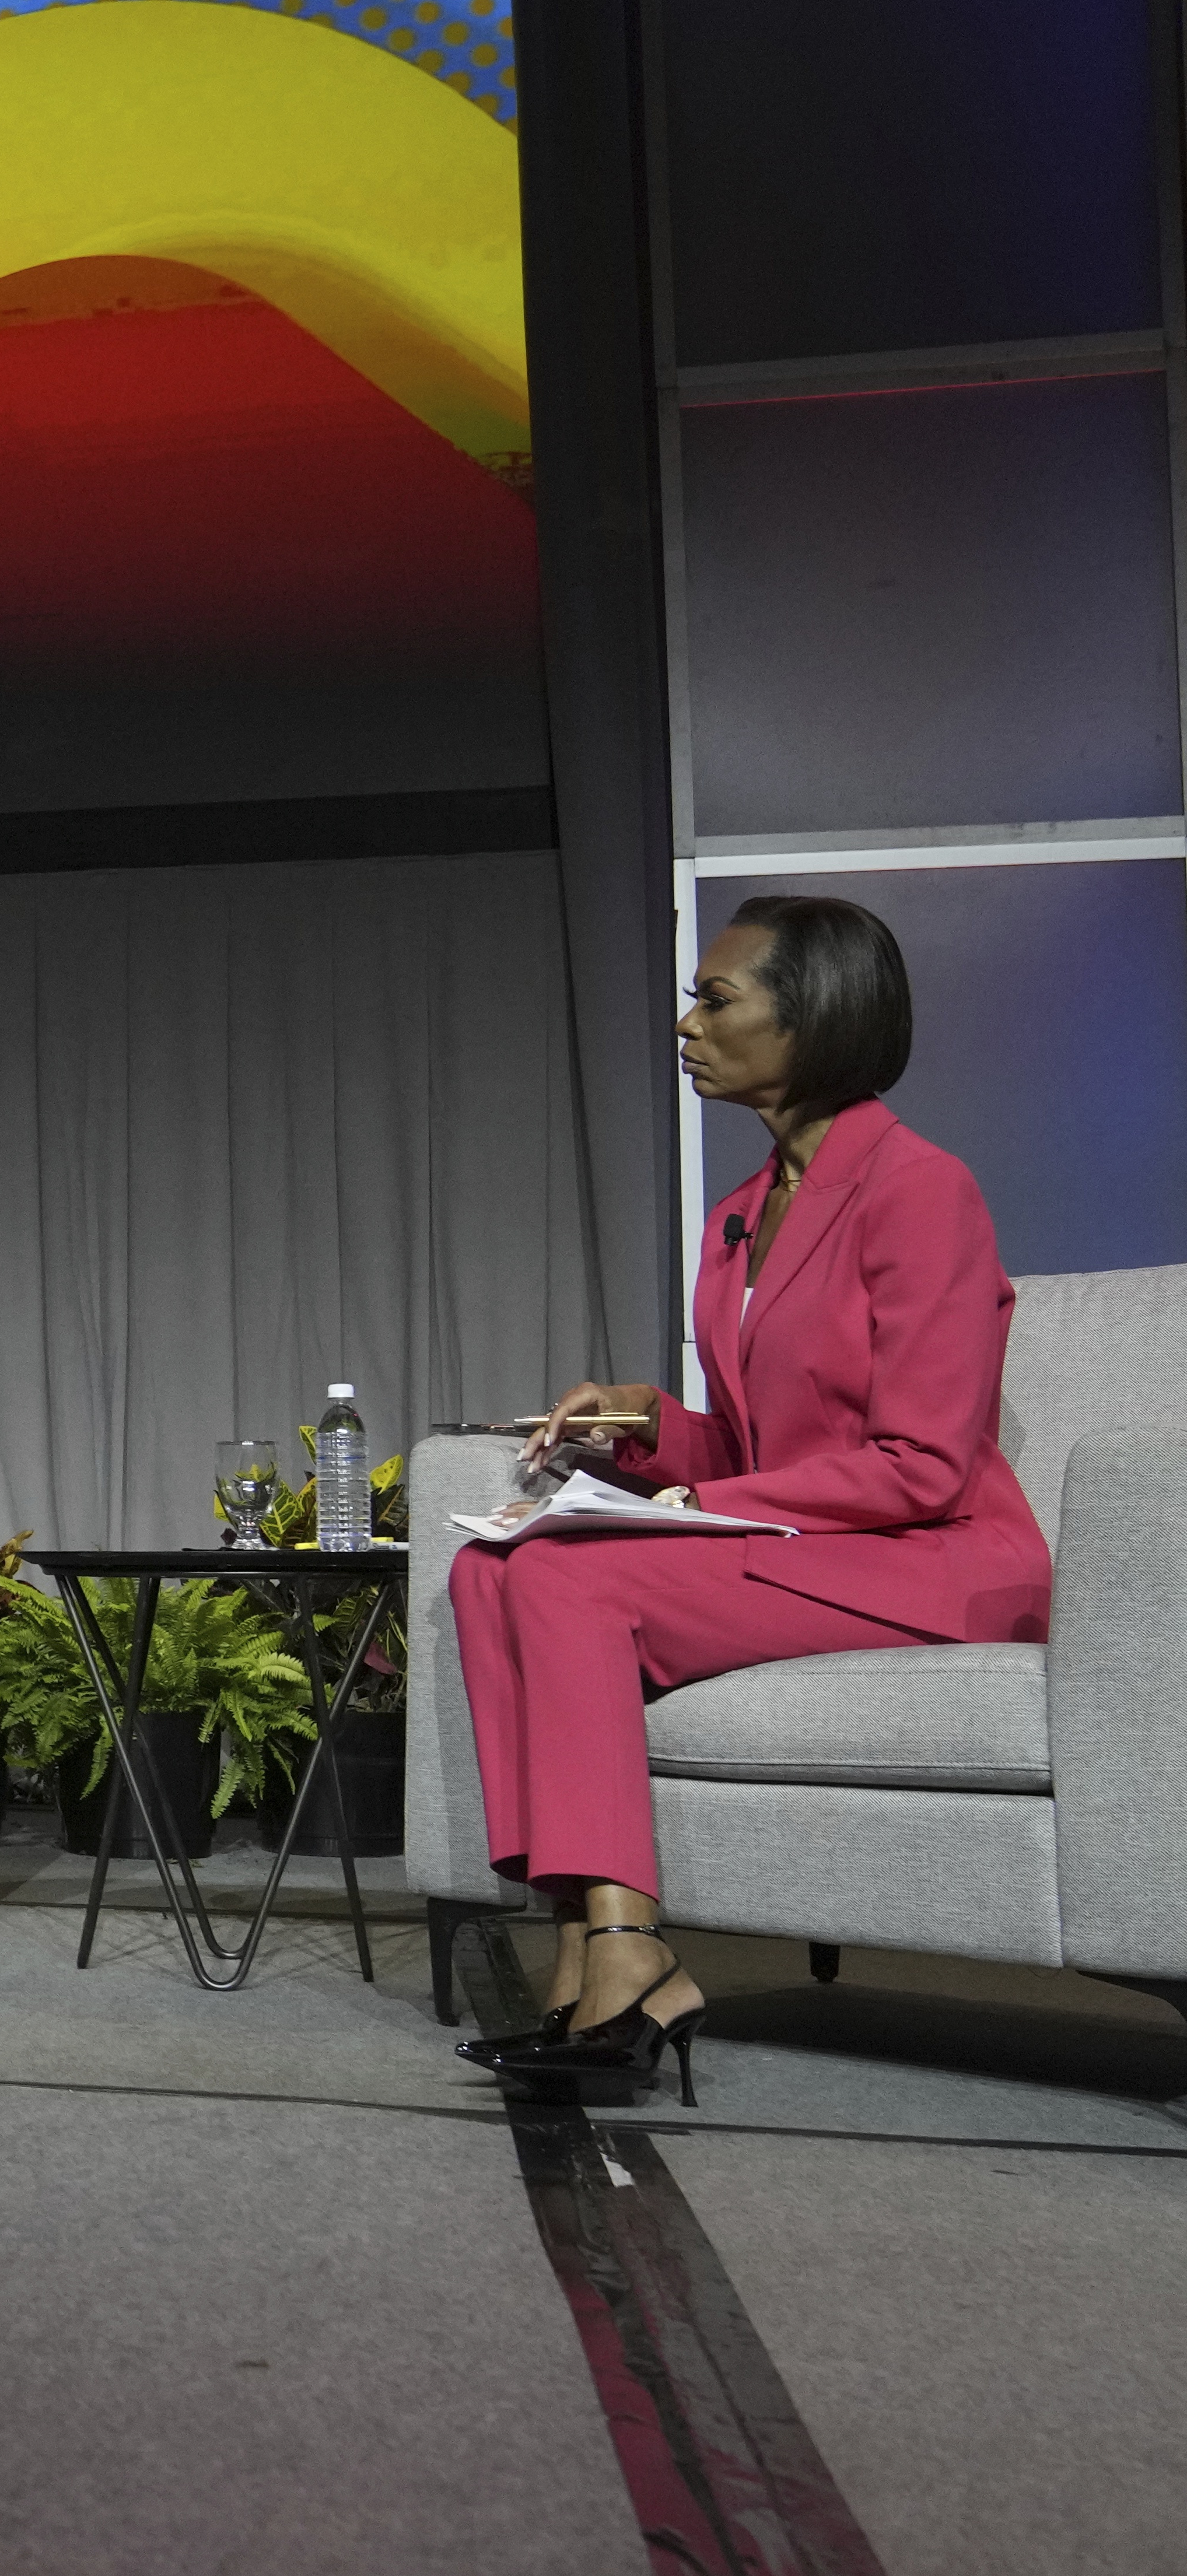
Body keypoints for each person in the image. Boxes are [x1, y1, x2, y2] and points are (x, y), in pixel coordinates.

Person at [454, 895, 1048, 2103]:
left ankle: (627, 1950)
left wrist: (681, 1516)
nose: (687, 1023)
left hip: (930, 1555)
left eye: (717, 1000)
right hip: (817, 1543)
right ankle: (581, 1944)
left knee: (571, 1575)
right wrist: (649, 1431)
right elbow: (753, 1443)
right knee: (489, 1567)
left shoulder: (922, 1190)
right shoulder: (737, 1220)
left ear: (815, 1015)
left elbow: (924, 1464)